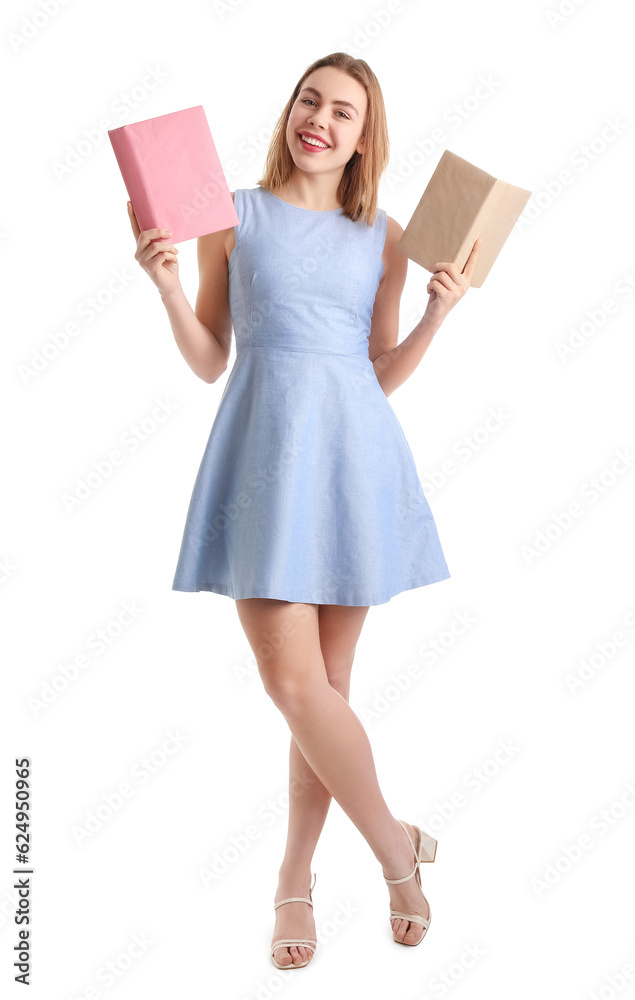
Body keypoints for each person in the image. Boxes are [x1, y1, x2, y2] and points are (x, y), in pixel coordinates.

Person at [128, 51, 480, 971]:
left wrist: (436, 319)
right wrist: (166, 285)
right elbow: (212, 359)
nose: (319, 119)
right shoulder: (230, 216)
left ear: (367, 140)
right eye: (309, 101)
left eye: (343, 113)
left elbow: (376, 372)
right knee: (296, 687)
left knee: (321, 694)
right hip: (260, 461)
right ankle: (397, 853)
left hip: (355, 464)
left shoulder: (386, 237)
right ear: (290, 111)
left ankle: (292, 877)